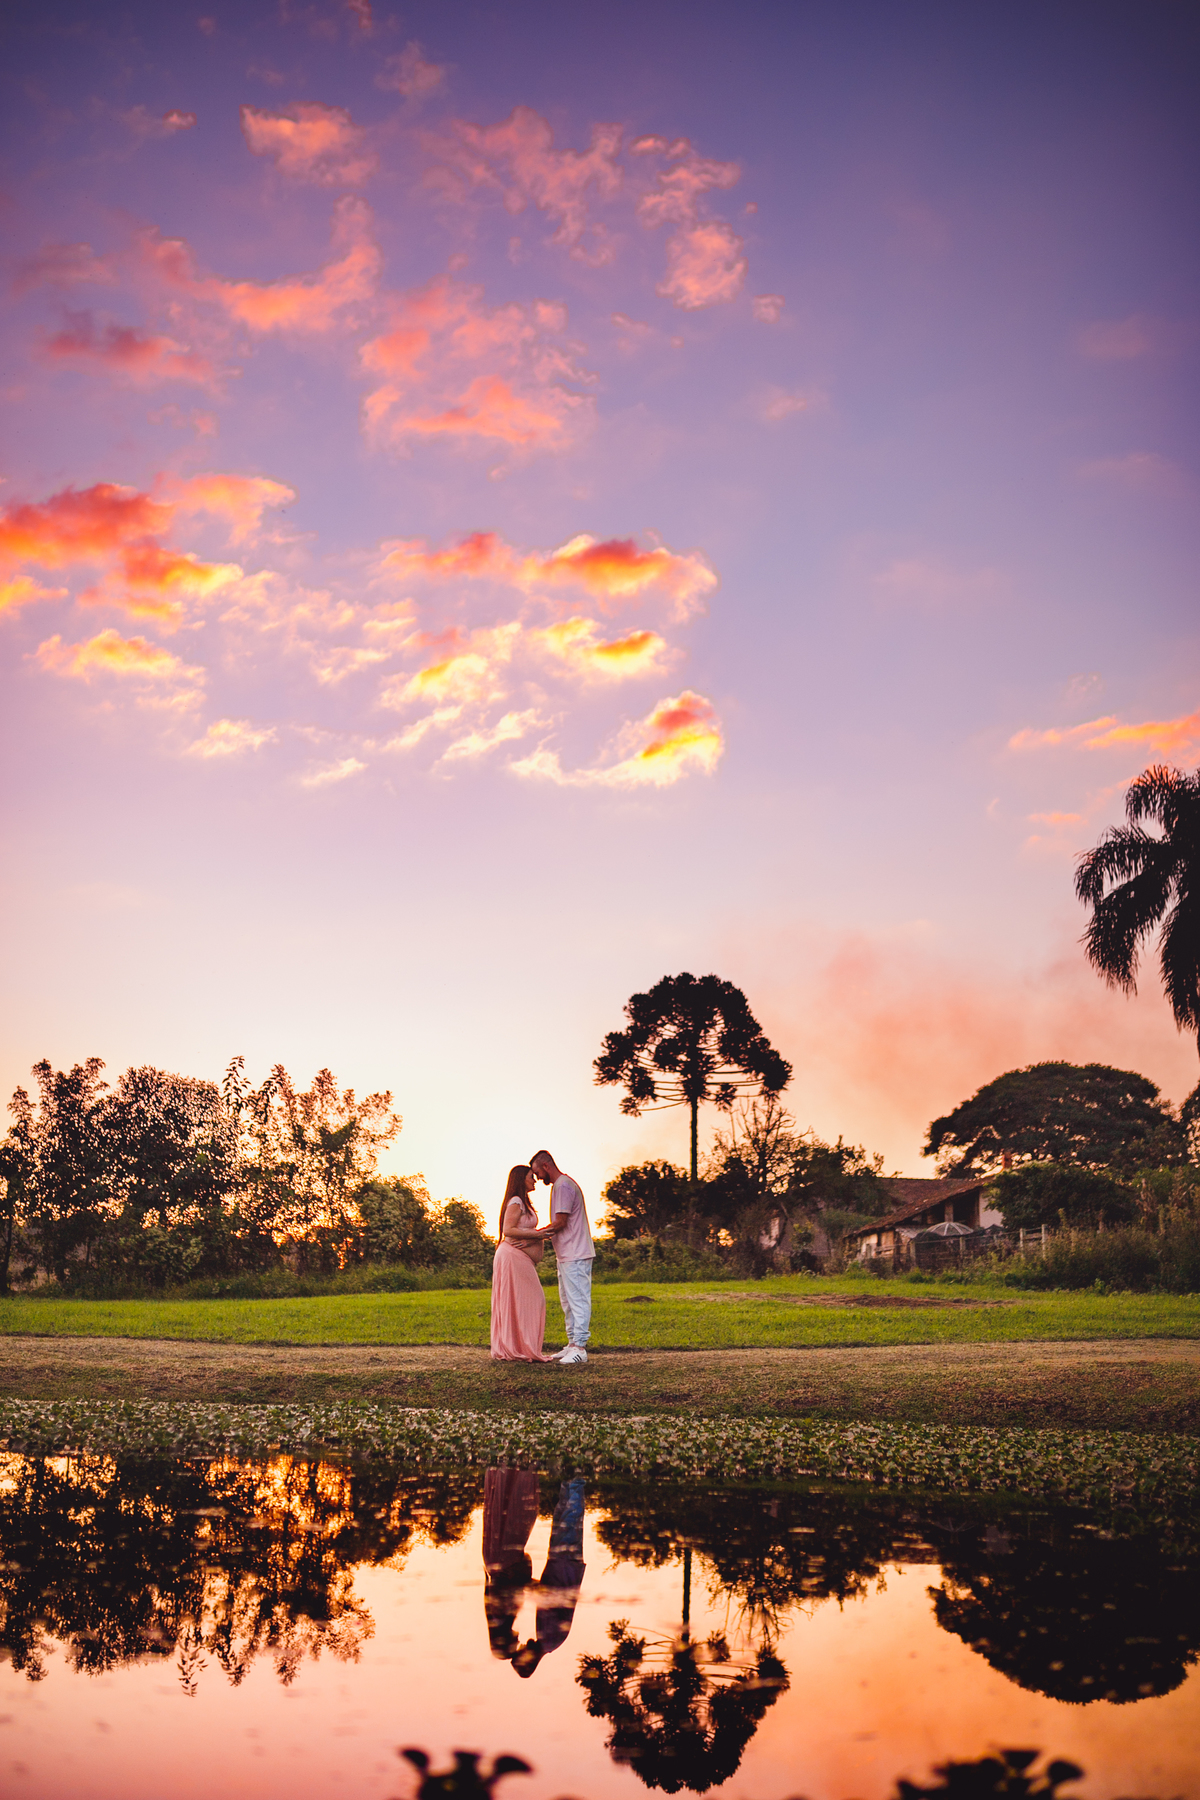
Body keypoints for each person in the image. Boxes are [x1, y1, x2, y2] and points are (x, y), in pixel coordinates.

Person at [530, 1150, 594, 1365]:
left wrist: (534, 1235)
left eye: (537, 1172)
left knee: (578, 1300)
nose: (537, 1177)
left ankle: (580, 1348)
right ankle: (572, 1343)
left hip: (576, 1253)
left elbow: (561, 1222)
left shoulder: (564, 1186)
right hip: (566, 1254)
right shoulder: (559, 1186)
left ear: (546, 1166)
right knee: (567, 1301)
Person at [490, 1164, 554, 1362]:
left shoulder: (524, 1202)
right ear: (521, 1179)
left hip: (519, 1257)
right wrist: (538, 1235)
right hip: (511, 1256)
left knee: (523, 1301)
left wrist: (534, 1237)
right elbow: (508, 1230)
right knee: (530, 1299)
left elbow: (520, 1231)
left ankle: (522, 1347)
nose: (534, 1180)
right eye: (530, 1177)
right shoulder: (516, 1201)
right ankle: (518, 1348)